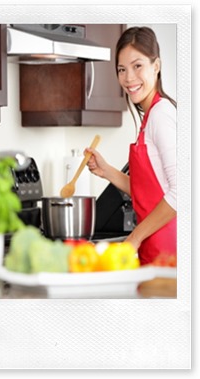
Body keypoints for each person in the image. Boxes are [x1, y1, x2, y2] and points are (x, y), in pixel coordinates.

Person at [86, 26, 177, 265]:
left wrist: (134, 238)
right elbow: (149, 191)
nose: (129, 78)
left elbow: (182, 193)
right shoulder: (149, 118)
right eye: (122, 69)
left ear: (156, 66)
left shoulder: (161, 114)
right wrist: (106, 170)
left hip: (170, 253)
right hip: (157, 252)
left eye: (138, 66)